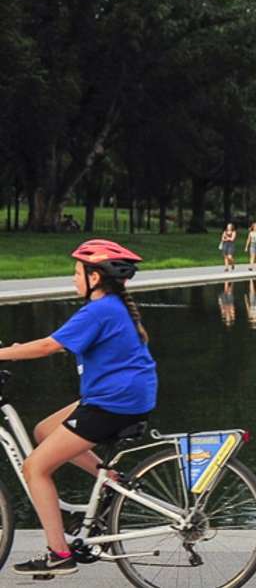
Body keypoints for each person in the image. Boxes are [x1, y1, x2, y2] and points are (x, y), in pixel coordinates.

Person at [0, 241, 158, 576]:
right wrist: (15, 349)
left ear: (95, 278)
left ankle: (59, 553)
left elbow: (49, 346)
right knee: (44, 431)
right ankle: (113, 481)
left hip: (113, 401)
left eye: (77, 272)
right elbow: (58, 342)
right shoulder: (111, 307)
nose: (73, 279)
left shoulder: (99, 310)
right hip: (121, 396)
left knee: (35, 469)